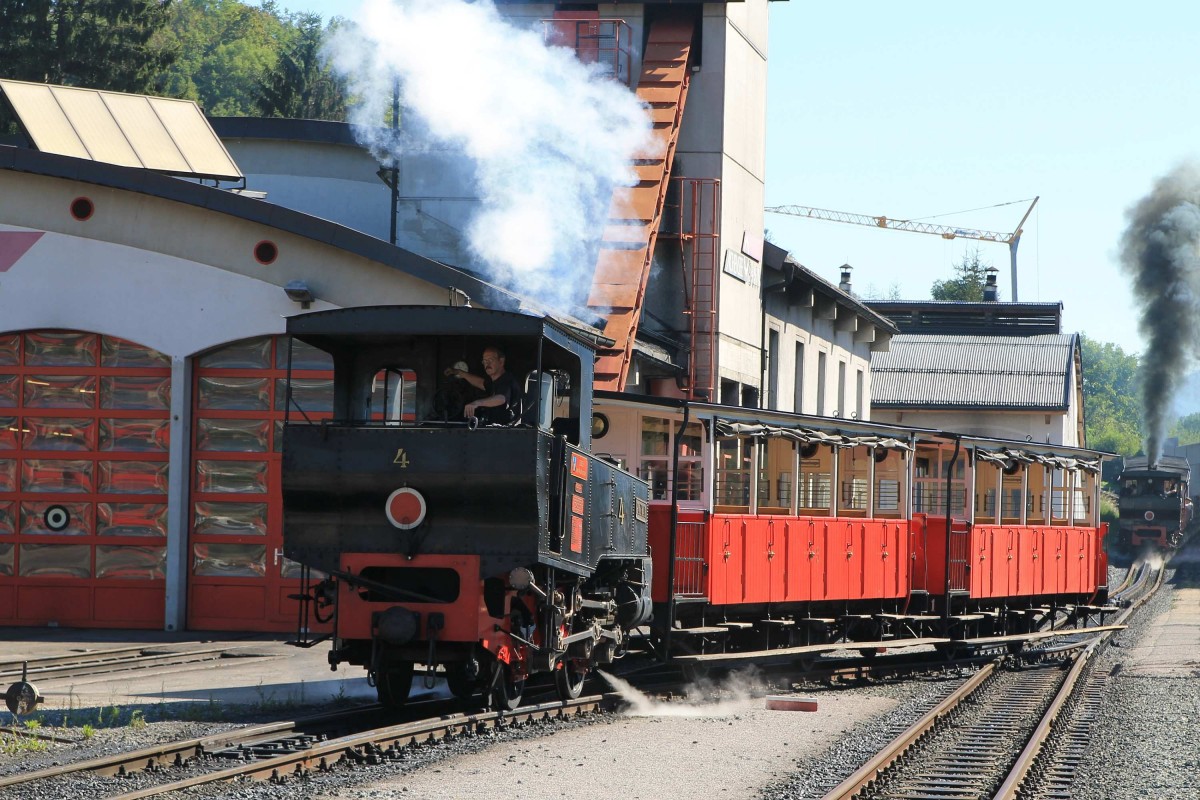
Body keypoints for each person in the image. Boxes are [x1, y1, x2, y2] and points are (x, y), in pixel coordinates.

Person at [444, 346, 521, 424]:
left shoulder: (507, 380)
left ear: (501, 361)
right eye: (484, 361)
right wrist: (459, 372)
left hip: (506, 431)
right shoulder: (494, 382)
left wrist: (477, 403)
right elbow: (480, 382)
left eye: (490, 360)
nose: (487, 364)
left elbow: (501, 398)